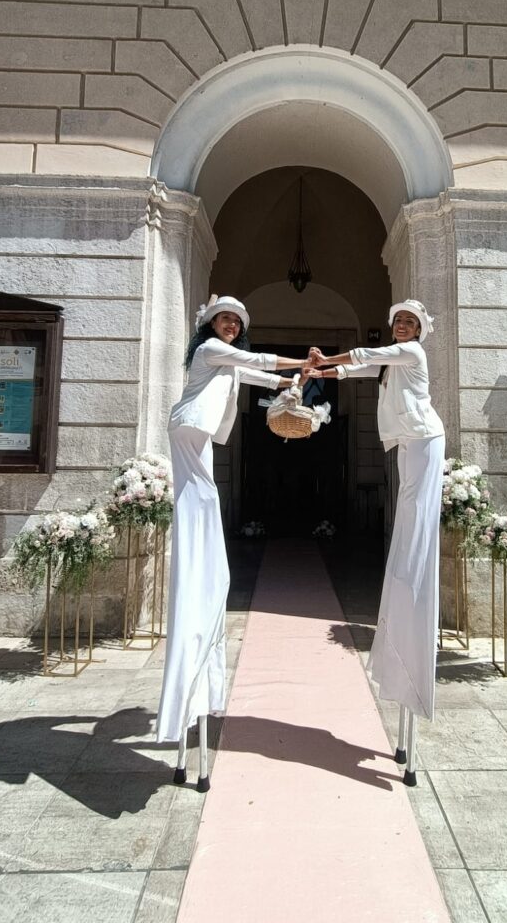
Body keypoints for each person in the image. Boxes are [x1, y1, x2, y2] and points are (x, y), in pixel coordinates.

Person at [156, 295, 310, 746]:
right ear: (211, 324)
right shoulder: (208, 351)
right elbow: (253, 358)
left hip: (198, 433)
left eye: (235, 321)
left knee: (204, 497)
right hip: (188, 428)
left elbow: (254, 373)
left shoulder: (225, 360)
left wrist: (294, 379)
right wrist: (305, 359)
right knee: (200, 497)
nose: (229, 325)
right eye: (224, 319)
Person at [308, 299, 445, 731]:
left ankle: (413, 559)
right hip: (407, 440)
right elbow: (361, 369)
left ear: (419, 330)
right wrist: (323, 373)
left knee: (416, 507)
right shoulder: (394, 363)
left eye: (410, 322)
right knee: (408, 506)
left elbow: (368, 355)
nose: (403, 326)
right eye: (399, 321)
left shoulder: (411, 353)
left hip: (423, 437)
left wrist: (326, 356)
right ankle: (406, 552)